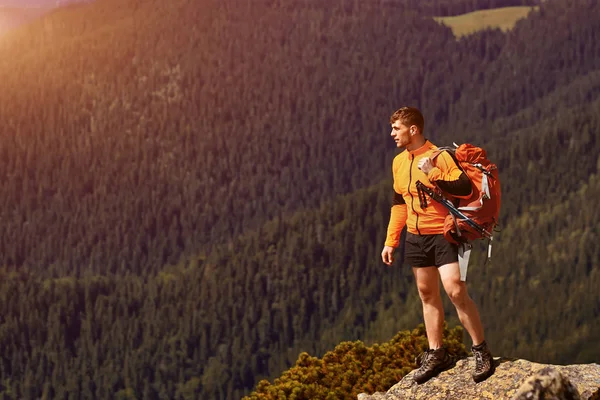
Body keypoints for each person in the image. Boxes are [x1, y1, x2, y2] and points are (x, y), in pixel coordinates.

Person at [381, 106, 495, 384]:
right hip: (415, 236)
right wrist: (391, 241)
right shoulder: (399, 162)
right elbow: (399, 204)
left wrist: (433, 173)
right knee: (426, 294)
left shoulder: (440, 156)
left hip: (443, 234)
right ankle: (436, 353)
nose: (392, 133)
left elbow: (464, 188)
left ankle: (481, 350)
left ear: (413, 130)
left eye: (396, 128)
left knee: (455, 290)